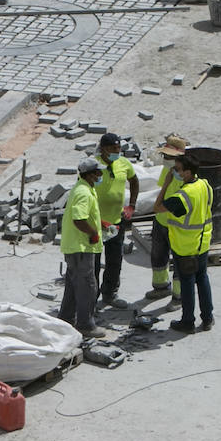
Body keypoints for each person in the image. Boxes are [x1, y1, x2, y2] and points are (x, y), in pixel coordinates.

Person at [152, 153, 214, 334]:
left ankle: (187, 321)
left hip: (185, 247)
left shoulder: (182, 196)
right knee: (202, 279)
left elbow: (157, 207)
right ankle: (208, 318)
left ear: (187, 172)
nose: (173, 172)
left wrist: (166, 183)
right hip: (203, 242)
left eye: (177, 169)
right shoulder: (204, 185)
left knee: (187, 283)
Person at [58, 156, 107, 340]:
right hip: (81, 247)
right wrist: (93, 233)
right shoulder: (84, 193)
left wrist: (99, 223)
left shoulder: (83, 188)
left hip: (74, 247)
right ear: (91, 174)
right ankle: (85, 325)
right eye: (98, 172)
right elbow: (79, 219)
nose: (100, 175)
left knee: (73, 285)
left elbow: (84, 215)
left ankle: (65, 319)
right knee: (87, 286)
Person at [93, 133, 138, 310]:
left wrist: (131, 206)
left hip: (116, 222)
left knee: (115, 260)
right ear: (103, 149)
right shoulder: (93, 166)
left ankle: (110, 293)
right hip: (96, 223)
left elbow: (134, 181)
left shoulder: (124, 164)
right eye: (113, 149)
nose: (117, 152)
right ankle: (92, 297)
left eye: (118, 148)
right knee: (94, 263)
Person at [147, 134, 189, 303]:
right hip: (161, 220)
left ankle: (179, 297)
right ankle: (161, 287)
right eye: (165, 155)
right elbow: (162, 191)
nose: (165, 159)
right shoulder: (167, 169)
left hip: (177, 225)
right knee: (158, 256)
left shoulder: (185, 175)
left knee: (179, 262)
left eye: (169, 157)